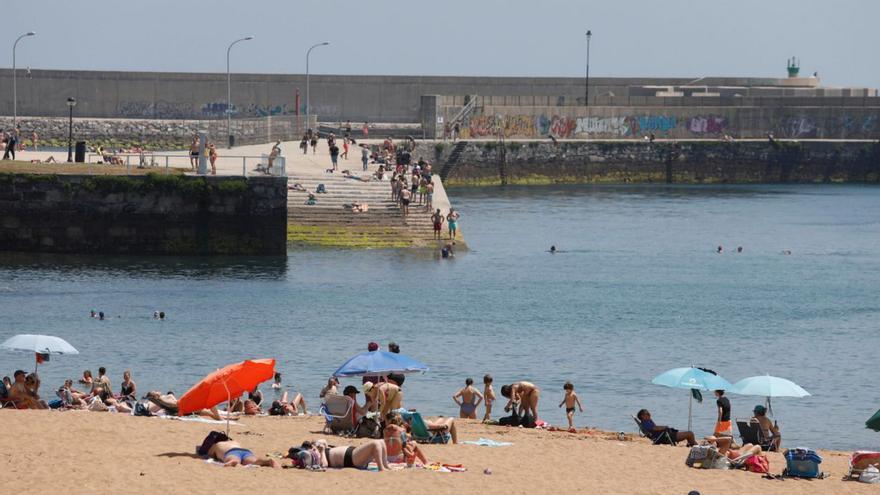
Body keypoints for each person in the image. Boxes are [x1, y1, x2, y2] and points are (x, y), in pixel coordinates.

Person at [288, 439, 391, 471]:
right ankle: (382, 468)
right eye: (312, 447)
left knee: (381, 441)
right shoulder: (315, 456)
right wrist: (322, 451)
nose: (314, 447)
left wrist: (320, 443)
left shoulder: (318, 449)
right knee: (375, 443)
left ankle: (386, 466)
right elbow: (324, 465)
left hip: (352, 454)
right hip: (350, 458)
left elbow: (323, 440)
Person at [206, 437, 279, 468]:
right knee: (254, 461)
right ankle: (267, 461)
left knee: (234, 459)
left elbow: (209, 454)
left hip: (231, 452)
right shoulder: (234, 441)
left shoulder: (216, 445)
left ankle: (234, 461)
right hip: (245, 451)